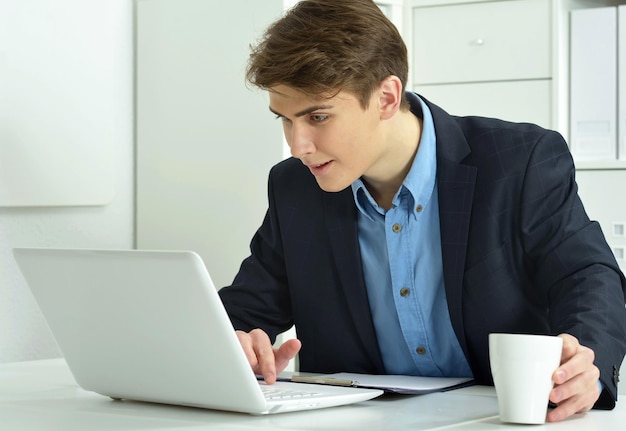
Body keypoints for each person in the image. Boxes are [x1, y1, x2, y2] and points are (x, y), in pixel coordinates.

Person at [218, 0, 626, 423]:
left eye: (317, 117)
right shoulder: (293, 189)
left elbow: (587, 275)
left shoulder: (519, 162)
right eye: (284, 119)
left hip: (503, 419)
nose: (297, 145)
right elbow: (242, 315)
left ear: (387, 98)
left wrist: (585, 362)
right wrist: (238, 344)